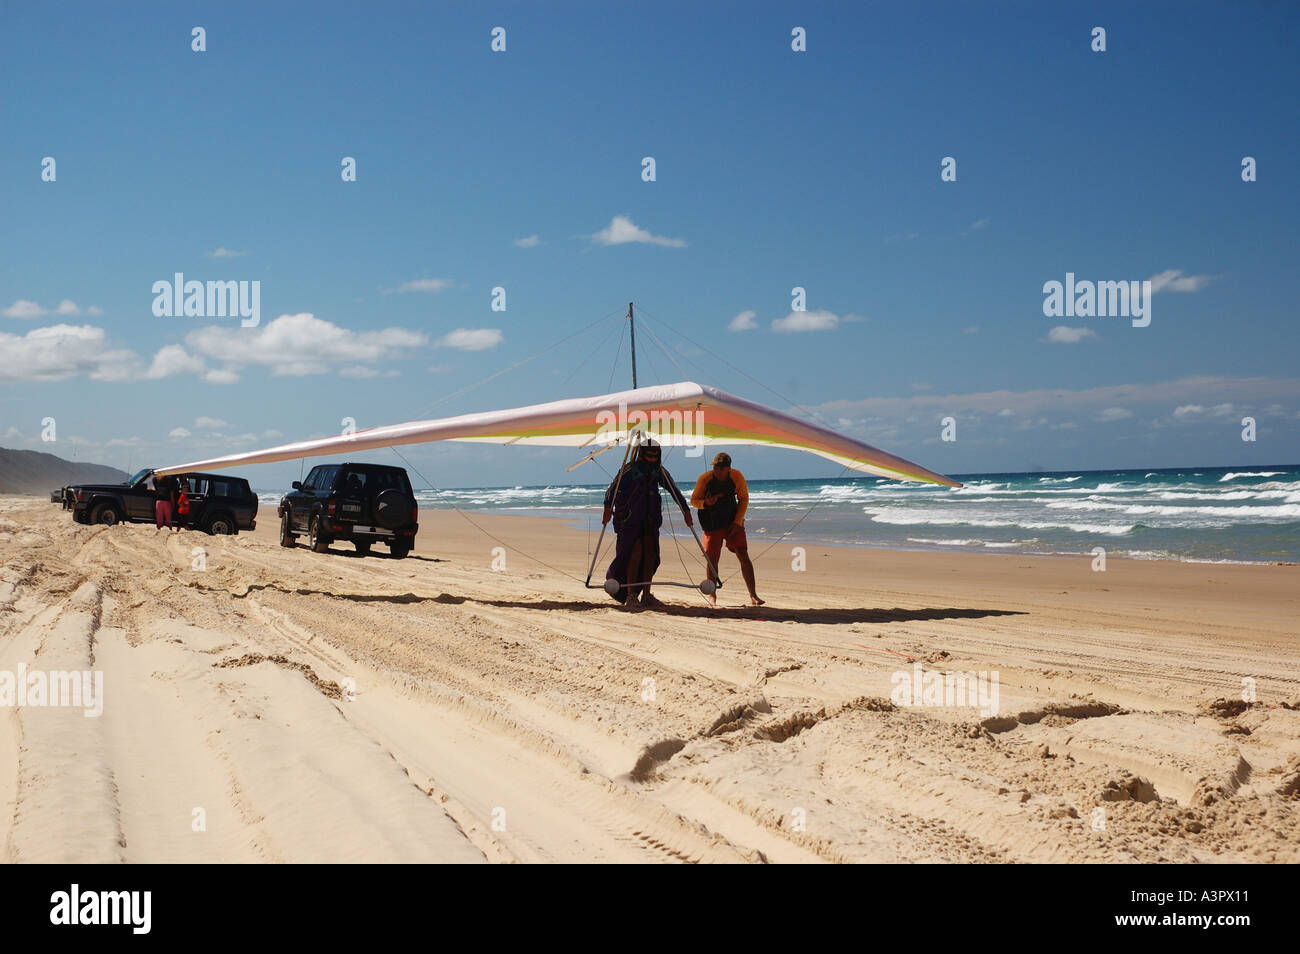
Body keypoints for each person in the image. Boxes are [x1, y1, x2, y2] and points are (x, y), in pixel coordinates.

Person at [601, 439, 693, 607]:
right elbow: (611, 490)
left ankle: (646, 595)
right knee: (634, 553)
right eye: (649, 456)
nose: (652, 459)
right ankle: (630, 595)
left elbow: (674, 489)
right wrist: (607, 508)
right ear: (642, 454)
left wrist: (685, 510)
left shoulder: (658, 470)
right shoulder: (629, 469)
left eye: (655, 456)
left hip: (649, 519)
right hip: (630, 520)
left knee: (650, 555)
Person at [690, 452, 763, 606]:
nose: (717, 471)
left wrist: (737, 523)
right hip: (711, 522)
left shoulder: (736, 476)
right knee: (712, 559)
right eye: (715, 467)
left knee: (743, 553)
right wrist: (706, 503)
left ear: (728, 469)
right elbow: (694, 501)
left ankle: (753, 595)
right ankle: (712, 595)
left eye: (720, 468)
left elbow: (743, 499)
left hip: (732, 520)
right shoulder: (705, 479)